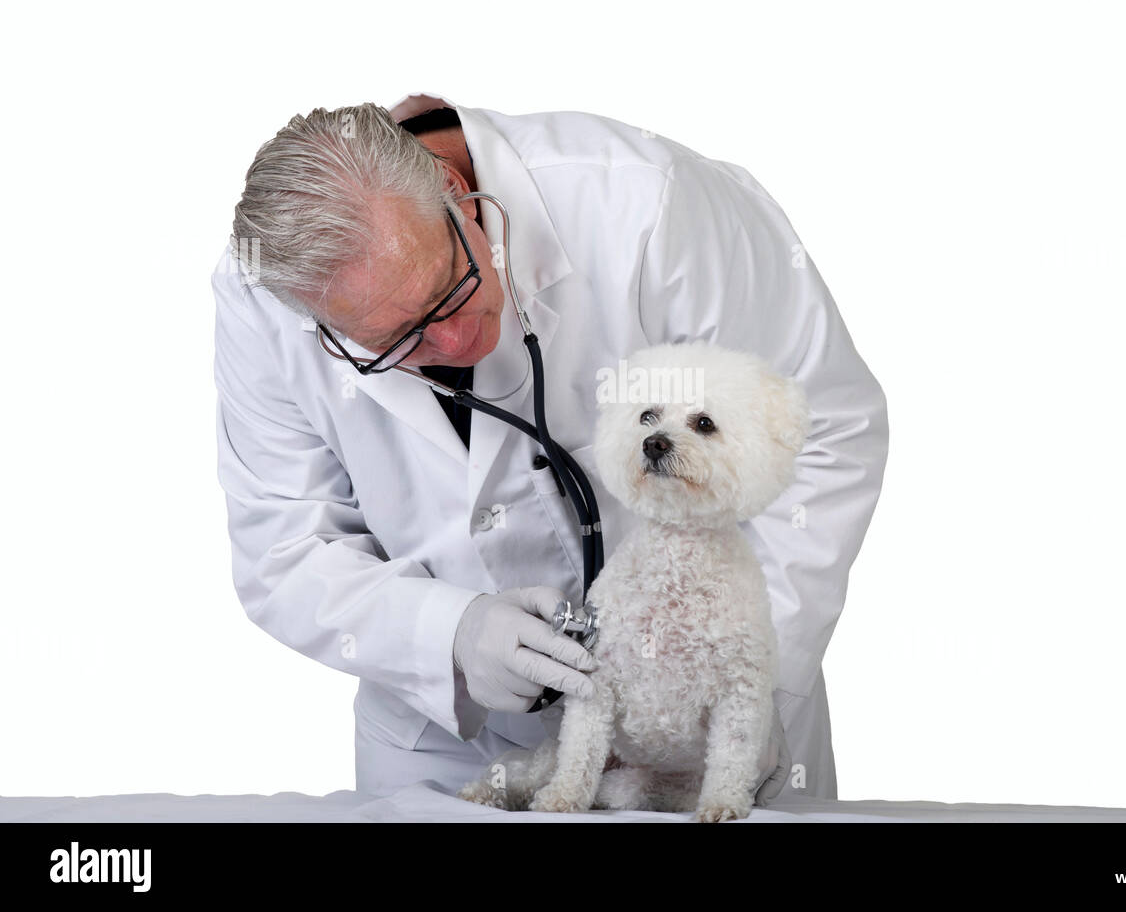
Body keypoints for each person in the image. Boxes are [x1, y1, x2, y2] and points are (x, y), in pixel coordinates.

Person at [213, 91, 889, 805]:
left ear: (457, 195)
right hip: (447, 744)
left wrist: (743, 678)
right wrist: (449, 634)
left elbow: (828, 430)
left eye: (449, 289)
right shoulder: (266, 293)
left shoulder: (647, 204)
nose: (452, 343)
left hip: (712, 733)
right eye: (394, 341)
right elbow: (284, 550)